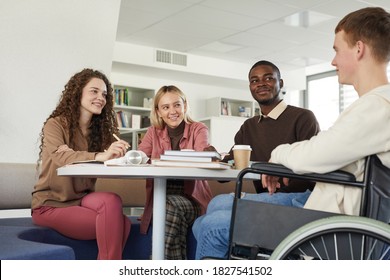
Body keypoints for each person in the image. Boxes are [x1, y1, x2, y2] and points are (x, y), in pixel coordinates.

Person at [194, 6, 390, 260]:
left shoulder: (377, 107)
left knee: (210, 226)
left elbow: (314, 154)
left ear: (359, 49)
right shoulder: (372, 105)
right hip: (326, 206)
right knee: (214, 210)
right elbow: (323, 148)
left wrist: (277, 155)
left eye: (337, 50)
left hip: (333, 224)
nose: (333, 61)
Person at [192, 60, 320, 260]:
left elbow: (311, 170)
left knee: (210, 222)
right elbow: (230, 166)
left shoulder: (302, 117)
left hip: (297, 199)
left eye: (268, 78)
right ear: (250, 87)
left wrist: (280, 174)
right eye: (254, 80)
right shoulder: (249, 126)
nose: (261, 83)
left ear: (281, 82)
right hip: (267, 201)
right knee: (205, 217)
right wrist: (214, 157)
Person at [32, 68, 131, 260]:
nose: (100, 98)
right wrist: (100, 156)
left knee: (112, 200)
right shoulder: (55, 125)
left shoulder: (100, 133)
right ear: (78, 93)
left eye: (104, 94)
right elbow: (63, 158)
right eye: (94, 91)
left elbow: (103, 163)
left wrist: (119, 157)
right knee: (122, 224)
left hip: (81, 200)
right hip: (51, 204)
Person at [137, 85, 213, 259]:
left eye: (177, 105)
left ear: (185, 106)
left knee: (168, 206)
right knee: (169, 210)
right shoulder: (152, 132)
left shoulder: (198, 129)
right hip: (160, 200)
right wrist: (134, 155)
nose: (173, 111)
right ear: (158, 111)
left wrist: (208, 152)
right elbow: (142, 154)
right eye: (166, 107)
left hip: (192, 200)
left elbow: (203, 151)